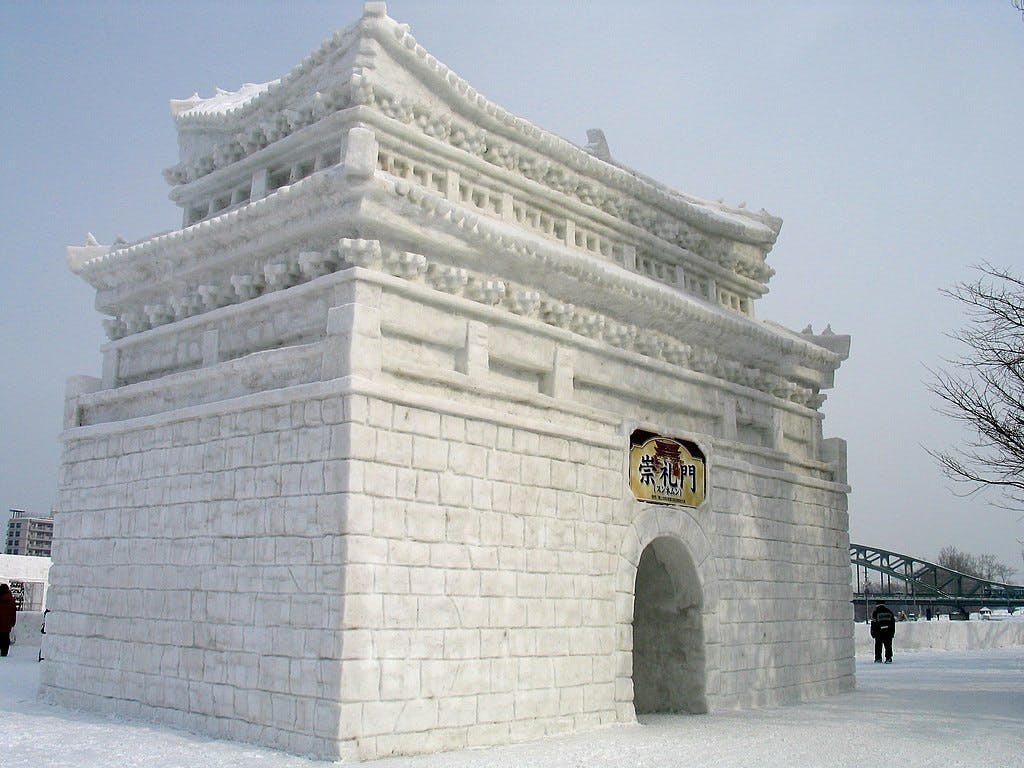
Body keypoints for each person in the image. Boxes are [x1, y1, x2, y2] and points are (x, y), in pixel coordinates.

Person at [0, 583, 16, 657]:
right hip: (7, 623)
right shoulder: (11, 600)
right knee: (6, 637)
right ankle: (4, 652)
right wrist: (13, 622)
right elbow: (13, 612)